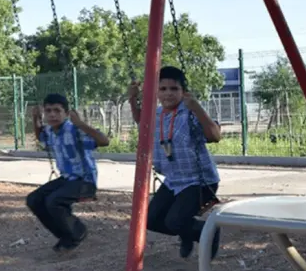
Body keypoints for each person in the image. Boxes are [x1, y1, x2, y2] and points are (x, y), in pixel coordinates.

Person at [128, 66, 222, 259]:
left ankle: (208, 232)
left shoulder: (190, 112)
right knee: (149, 219)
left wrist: (196, 107)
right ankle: (189, 232)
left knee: (174, 221)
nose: (168, 93)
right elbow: (141, 120)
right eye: (163, 89)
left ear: (183, 91)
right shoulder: (157, 114)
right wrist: (132, 99)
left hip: (199, 181)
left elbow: (215, 136)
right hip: (174, 180)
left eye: (174, 89)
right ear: (156, 92)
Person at [27, 93, 110, 253]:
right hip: (67, 179)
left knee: (54, 201)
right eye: (48, 111)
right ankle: (66, 235)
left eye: (57, 111)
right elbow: (41, 137)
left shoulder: (75, 130)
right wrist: (35, 119)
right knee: (34, 199)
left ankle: (78, 231)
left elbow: (104, 141)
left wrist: (80, 123)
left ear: (66, 113)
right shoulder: (51, 131)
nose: (52, 114)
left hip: (84, 181)